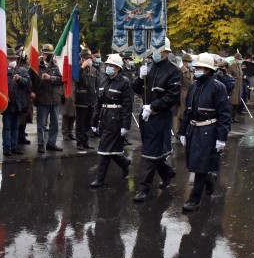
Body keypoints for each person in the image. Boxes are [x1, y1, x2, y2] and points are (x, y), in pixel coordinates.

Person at [178, 53, 231, 211]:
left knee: (200, 165)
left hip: (209, 130)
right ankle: (209, 181)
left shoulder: (218, 87)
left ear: (208, 70)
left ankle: (194, 199)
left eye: (199, 68)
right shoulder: (194, 86)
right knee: (195, 163)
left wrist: (221, 137)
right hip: (193, 129)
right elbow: (188, 111)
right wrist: (183, 131)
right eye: (196, 67)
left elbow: (224, 114)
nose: (196, 70)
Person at [132, 40, 181, 202]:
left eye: (158, 51)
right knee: (152, 149)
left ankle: (143, 188)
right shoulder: (149, 67)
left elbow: (172, 96)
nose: (155, 53)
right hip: (146, 117)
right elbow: (136, 89)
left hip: (160, 117)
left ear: (166, 52)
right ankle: (167, 173)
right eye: (153, 50)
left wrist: (153, 107)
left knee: (150, 153)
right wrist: (139, 78)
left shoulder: (173, 71)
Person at [89, 54, 133, 187]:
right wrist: (94, 121)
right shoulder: (103, 80)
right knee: (110, 149)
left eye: (112, 66)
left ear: (118, 68)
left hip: (116, 119)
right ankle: (124, 163)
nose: (109, 68)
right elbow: (99, 103)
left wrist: (125, 125)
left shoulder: (124, 82)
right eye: (108, 65)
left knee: (105, 149)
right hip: (104, 117)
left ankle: (100, 179)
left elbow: (127, 105)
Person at [34, 44, 63, 153]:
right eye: (46, 53)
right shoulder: (37, 66)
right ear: (43, 54)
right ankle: (41, 144)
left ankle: (51, 143)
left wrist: (51, 78)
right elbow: (31, 80)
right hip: (42, 98)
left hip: (55, 98)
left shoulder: (56, 66)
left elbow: (61, 80)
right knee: (41, 124)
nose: (48, 56)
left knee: (55, 123)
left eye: (50, 54)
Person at [2, 49, 30, 156]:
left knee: (15, 127)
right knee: (7, 127)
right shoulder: (2, 71)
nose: (13, 60)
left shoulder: (22, 70)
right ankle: (6, 147)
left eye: (14, 58)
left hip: (18, 104)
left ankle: (14, 146)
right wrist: (3, 97)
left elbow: (28, 82)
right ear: (6, 59)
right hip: (7, 104)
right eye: (10, 58)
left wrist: (19, 79)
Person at [74, 48, 98, 151]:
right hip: (81, 100)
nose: (89, 60)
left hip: (91, 100)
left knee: (88, 123)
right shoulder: (77, 68)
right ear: (82, 59)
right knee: (80, 123)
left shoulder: (94, 70)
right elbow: (75, 80)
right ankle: (79, 142)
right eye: (86, 58)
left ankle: (86, 141)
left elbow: (96, 85)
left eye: (89, 58)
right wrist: (82, 68)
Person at [173, 53, 194, 136]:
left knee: (187, 112)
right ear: (184, 62)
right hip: (182, 93)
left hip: (189, 92)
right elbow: (178, 84)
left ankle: (184, 129)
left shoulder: (190, 70)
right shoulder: (180, 71)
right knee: (180, 113)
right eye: (189, 61)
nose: (190, 63)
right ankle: (178, 131)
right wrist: (177, 96)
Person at [228, 53, 243, 122]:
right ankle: (230, 118)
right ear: (235, 59)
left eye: (240, 59)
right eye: (239, 59)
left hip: (239, 87)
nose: (239, 61)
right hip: (234, 87)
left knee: (237, 103)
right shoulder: (231, 67)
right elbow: (228, 76)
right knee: (232, 103)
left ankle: (234, 117)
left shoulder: (239, 67)